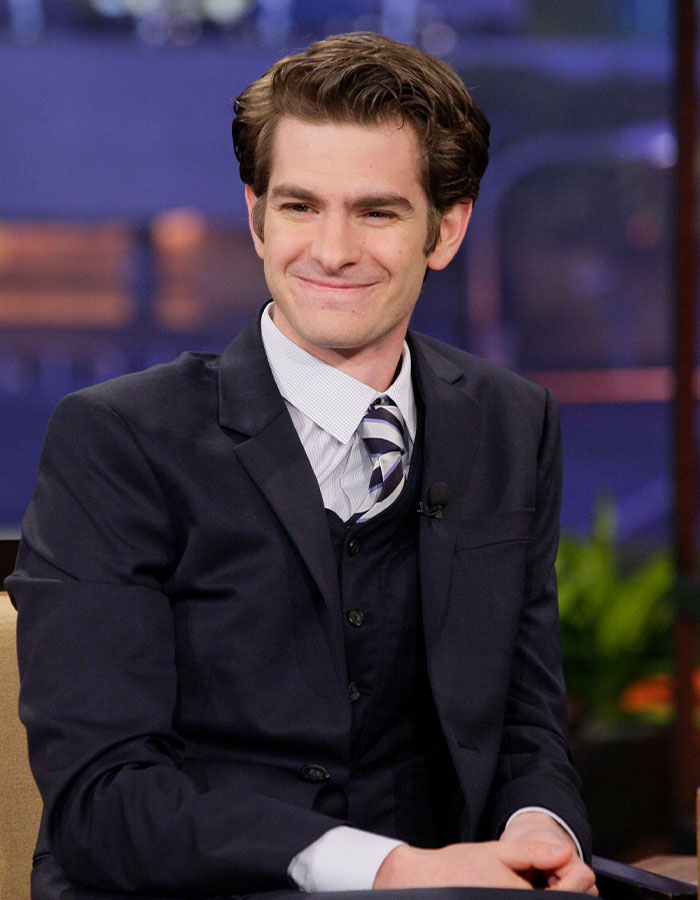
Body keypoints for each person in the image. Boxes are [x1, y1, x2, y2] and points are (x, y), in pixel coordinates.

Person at [7, 31, 597, 900]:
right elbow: (107, 801)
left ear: (449, 227)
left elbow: (523, 725)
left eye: (378, 211)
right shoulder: (118, 441)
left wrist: (538, 833)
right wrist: (389, 868)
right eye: (299, 207)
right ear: (255, 216)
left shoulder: (510, 423)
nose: (331, 250)